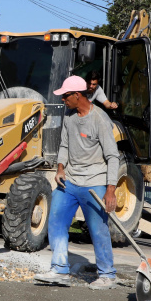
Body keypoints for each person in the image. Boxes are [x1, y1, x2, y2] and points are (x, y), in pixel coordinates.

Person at [35, 75, 119, 289]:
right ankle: (60, 269)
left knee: (97, 228)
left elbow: (112, 157)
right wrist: (60, 167)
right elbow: (64, 145)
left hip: (95, 182)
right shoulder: (70, 115)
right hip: (70, 181)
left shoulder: (100, 119)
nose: (63, 100)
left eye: (65, 96)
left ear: (77, 95)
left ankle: (107, 275)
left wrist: (110, 190)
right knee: (55, 219)